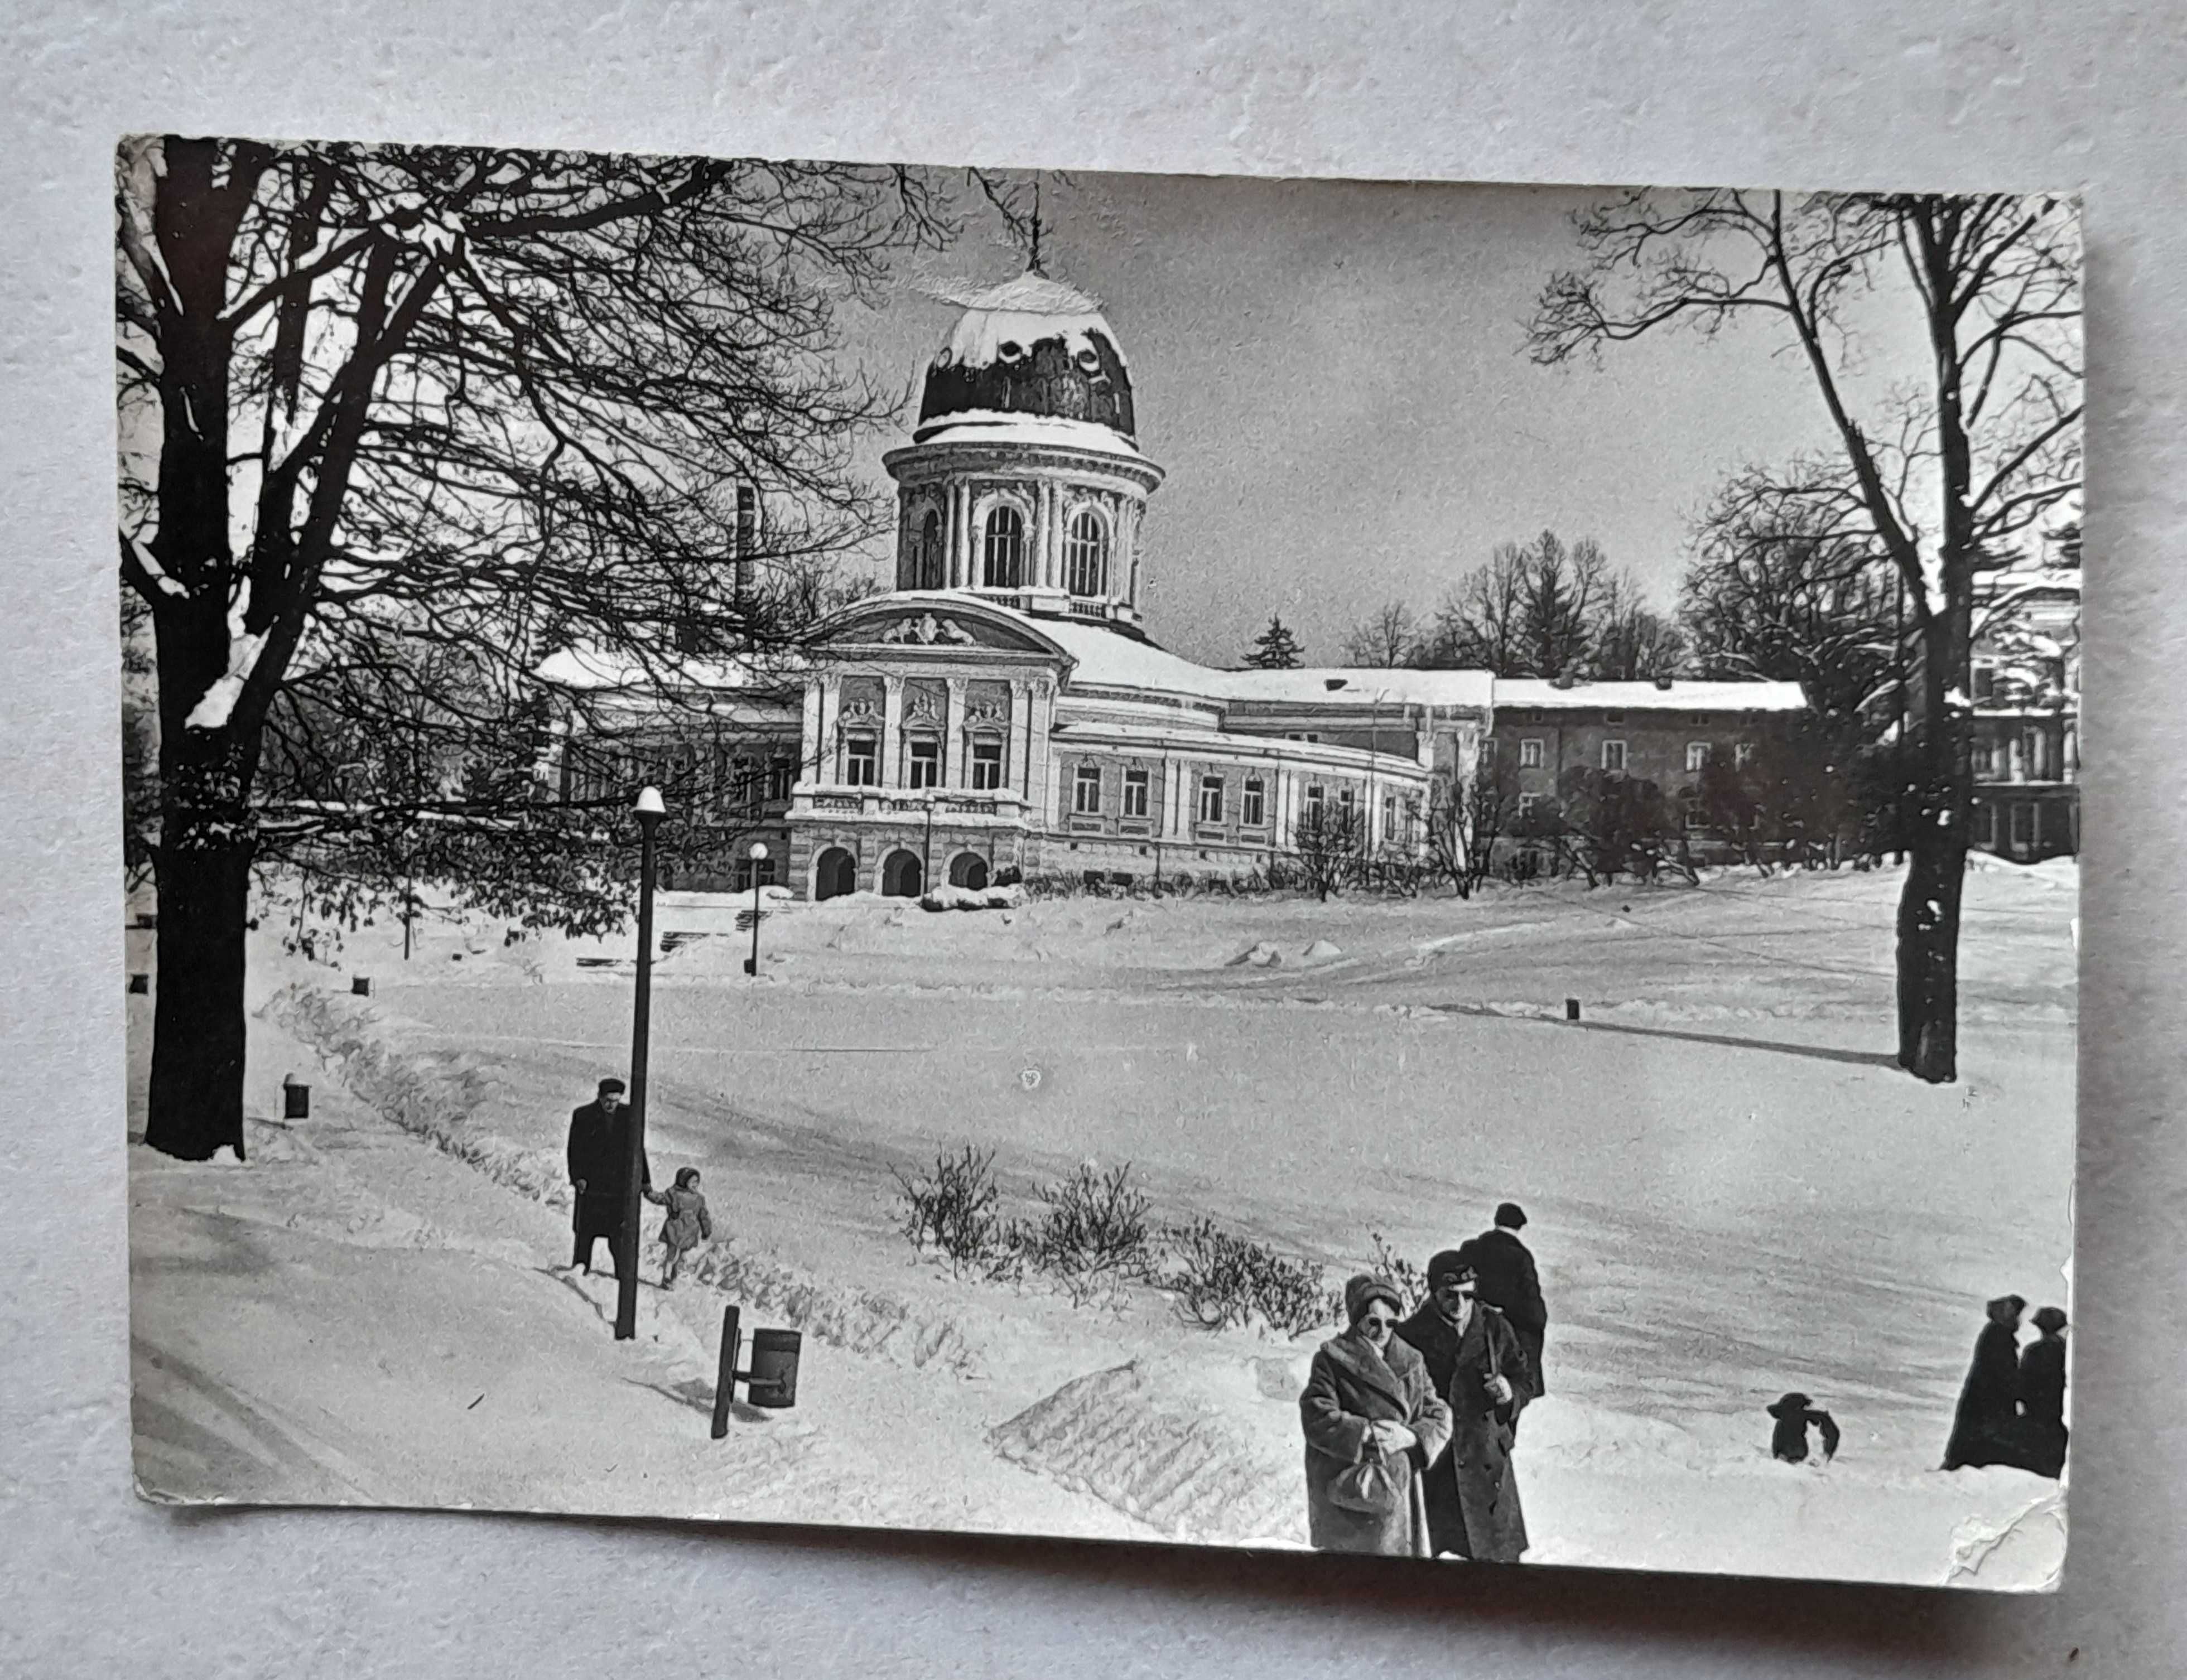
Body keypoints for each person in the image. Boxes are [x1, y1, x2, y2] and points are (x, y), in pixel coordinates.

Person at [1396, 1243, 1538, 1562]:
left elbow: (1525, 1379)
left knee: (1497, 1566)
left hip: (1488, 1464)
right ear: (1433, 1293)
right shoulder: (1411, 1336)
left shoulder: (1494, 1328)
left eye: (1467, 1294)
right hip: (1439, 1467)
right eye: (1450, 1295)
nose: (1460, 1304)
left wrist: (1510, 1392)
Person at [1299, 1275, 1453, 1557]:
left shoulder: (1412, 1360)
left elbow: (1439, 1414)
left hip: (1398, 1485)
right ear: (1356, 1320)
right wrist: (1366, 1433)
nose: (1383, 1331)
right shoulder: (1332, 1360)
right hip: (1354, 1489)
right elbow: (1316, 1415)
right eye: (1373, 1322)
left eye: (1391, 1323)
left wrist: (1410, 1436)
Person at [565, 1077, 651, 1277]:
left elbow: (638, 1151)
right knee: (586, 1233)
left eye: (616, 1100)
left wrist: (644, 1181)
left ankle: (624, 1277)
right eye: (608, 1100)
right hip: (593, 1185)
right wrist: (578, 1177)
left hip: (618, 1187)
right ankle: (580, 1271)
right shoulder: (584, 1116)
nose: (612, 1105)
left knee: (618, 1235)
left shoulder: (629, 1116)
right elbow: (574, 1149)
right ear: (600, 1097)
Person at [1468, 1201, 1548, 1411]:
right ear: (1519, 1227)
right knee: (1510, 1399)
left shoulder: (1473, 1248)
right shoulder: (1522, 1258)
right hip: (1508, 1342)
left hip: (1473, 1331)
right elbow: (1534, 1314)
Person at [1941, 1294, 2025, 1470]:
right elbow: (2002, 1372)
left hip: (1985, 1397)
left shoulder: (1995, 1334)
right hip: (1989, 1399)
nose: (2018, 1320)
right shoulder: (1999, 1337)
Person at [2015, 1306, 2069, 1479]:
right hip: (2058, 1408)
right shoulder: (2066, 1351)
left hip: (2035, 1409)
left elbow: (2022, 1382)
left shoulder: (2033, 1351)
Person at [644, 1166, 714, 1289]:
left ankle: (673, 1277)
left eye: (697, 1181)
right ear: (683, 1181)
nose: (696, 1184)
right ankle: (667, 1279)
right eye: (693, 1181)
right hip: (675, 1230)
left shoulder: (698, 1199)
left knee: (680, 1257)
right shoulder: (673, 1194)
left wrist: (706, 1230)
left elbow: (703, 1215)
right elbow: (660, 1199)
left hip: (689, 1232)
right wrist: (649, 1193)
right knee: (672, 1255)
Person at [1766, 1392, 1841, 1464]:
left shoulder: (1784, 1418)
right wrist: (1827, 1455)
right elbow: (1833, 1434)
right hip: (1797, 1453)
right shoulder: (1806, 1415)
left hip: (1787, 1453)